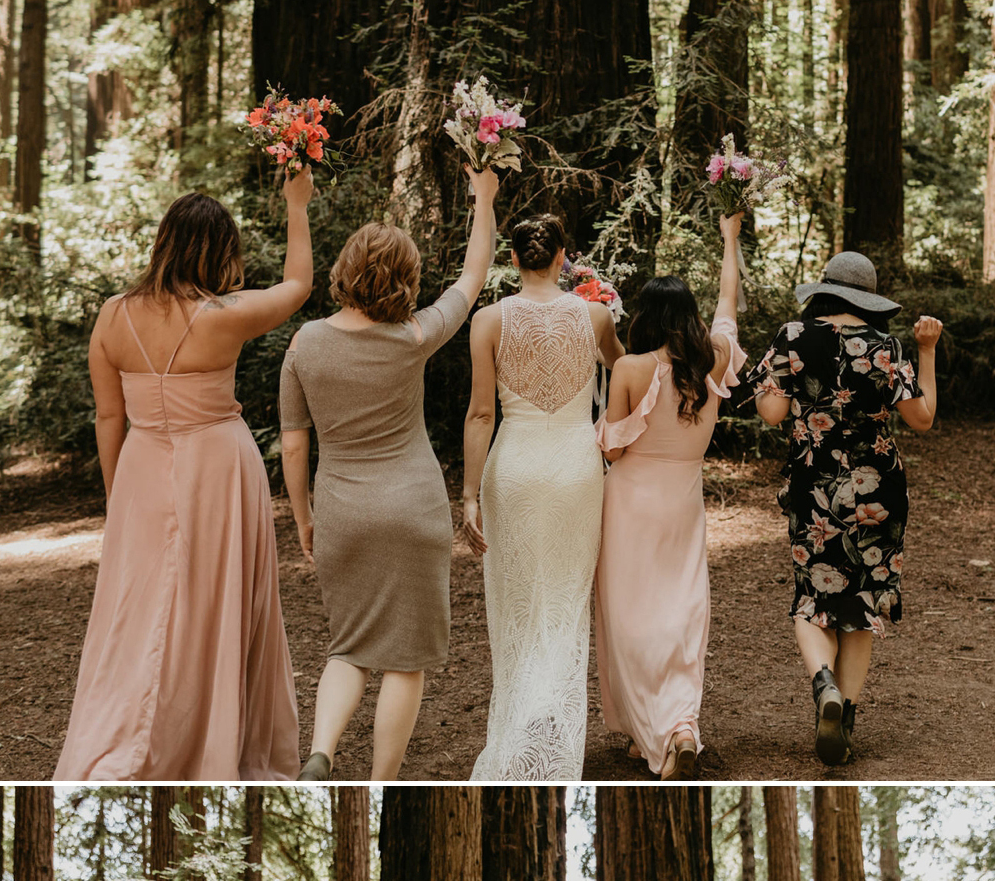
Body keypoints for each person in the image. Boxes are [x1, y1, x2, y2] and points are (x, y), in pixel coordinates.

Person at [56, 177, 312, 780]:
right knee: (212, 607)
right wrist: (295, 206)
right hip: (218, 469)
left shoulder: (112, 316)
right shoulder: (221, 317)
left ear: (165, 244)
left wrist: (119, 497)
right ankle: (209, 739)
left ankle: (128, 732)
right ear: (219, 250)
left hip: (143, 469)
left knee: (138, 610)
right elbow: (298, 285)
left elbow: (109, 415)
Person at [279, 168, 500, 780]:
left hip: (343, 511)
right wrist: (483, 199)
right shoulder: (415, 335)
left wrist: (304, 518)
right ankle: (380, 783)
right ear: (405, 278)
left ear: (344, 270)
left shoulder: (305, 344)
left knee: (348, 647)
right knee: (405, 662)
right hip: (413, 508)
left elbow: (293, 446)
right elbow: (472, 278)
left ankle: (321, 754)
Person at [746, 251, 941, 768]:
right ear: (868, 300)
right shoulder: (887, 346)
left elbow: (770, 415)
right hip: (879, 491)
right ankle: (845, 723)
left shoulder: (792, 335)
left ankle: (824, 687)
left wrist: (788, 390)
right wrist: (927, 350)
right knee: (860, 607)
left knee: (814, 595)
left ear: (825, 292)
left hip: (815, 483)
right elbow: (922, 419)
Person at [462, 215, 623, 779]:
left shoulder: (487, 321)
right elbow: (620, 368)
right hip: (577, 468)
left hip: (514, 467)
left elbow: (482, 413)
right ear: (563, 258)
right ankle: (548, 732)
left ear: (512, 258)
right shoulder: (596, 315)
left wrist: (467, 494)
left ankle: (520, 731)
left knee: (519, 601)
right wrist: (599, 307)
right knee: (565, 601)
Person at [593, 215, 746, 780]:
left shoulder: (631, 367)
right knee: (683, 610)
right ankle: (677, 726)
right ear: (688, 316)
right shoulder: (715, 359)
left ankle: (652, 730)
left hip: (630, 502)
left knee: (631, 616)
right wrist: (729, 237)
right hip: (684, 499)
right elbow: (729, 305)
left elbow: (609, 449)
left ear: (644, 318)